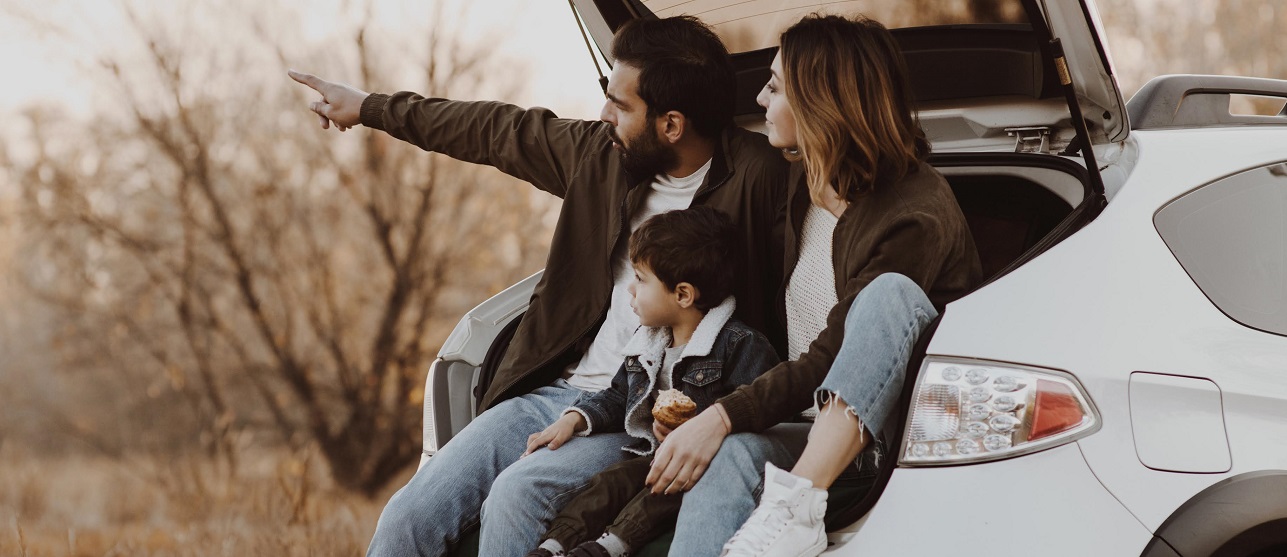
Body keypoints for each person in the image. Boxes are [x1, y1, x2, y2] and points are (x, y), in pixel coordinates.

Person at [287, 16, 789, 557]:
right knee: (407, 518)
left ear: (671, 125)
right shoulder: (601, 155)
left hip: (641, 412)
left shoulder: (758, 179)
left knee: (517, 493)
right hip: (550, 393)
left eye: (621, 106)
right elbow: (493, 129)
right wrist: (369, 108)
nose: (604, 115)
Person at [642, 14, 982, 557]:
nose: (758, 97)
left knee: (887, 294)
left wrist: (721, 415)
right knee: (728, 456)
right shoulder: (807, 180)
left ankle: (793, 508)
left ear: (820, 102)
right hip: (803, 425)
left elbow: (832, 352)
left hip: (881, 441)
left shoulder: (914, 214)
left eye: (774, 86)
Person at [522, 206, 779, 557]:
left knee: (660, 491)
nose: (630, 290)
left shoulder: (739, 345)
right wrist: (574, 419)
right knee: (610, 482)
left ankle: (611, 546)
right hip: (655, 455)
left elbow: (757, 413)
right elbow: (617, 396)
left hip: (699, 464)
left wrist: (699, 429)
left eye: (641, 280)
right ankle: (554, 546)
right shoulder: (649, 342)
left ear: (683, 294)